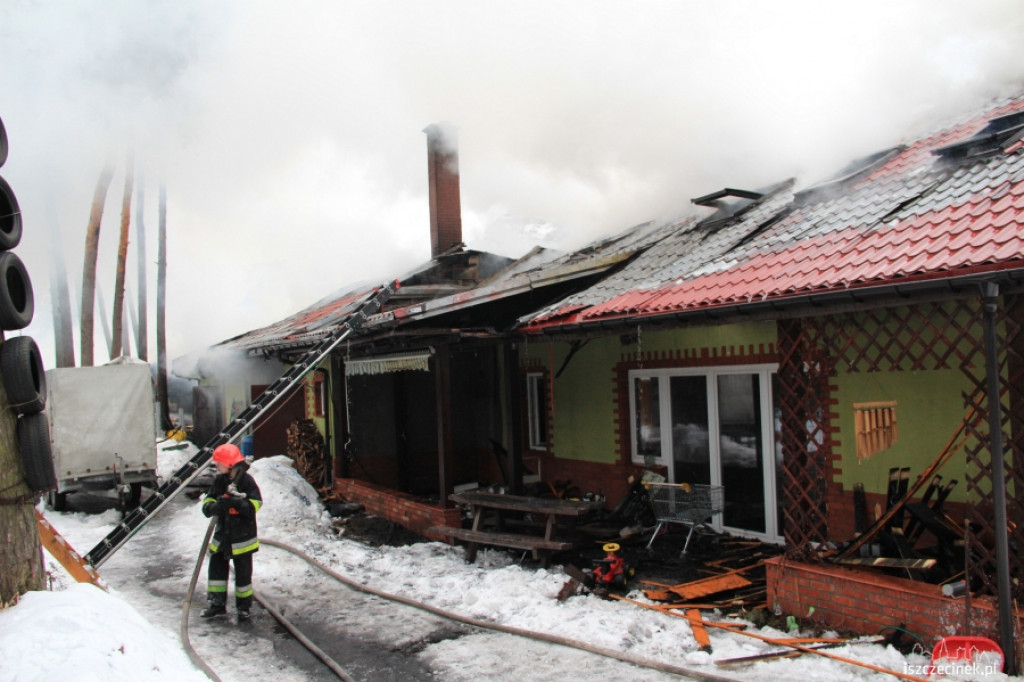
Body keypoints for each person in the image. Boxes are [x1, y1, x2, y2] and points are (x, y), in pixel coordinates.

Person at [200, 443, 262, 622]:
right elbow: (208, 500)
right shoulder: (220, 481)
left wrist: (239, 505)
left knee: (243, 574)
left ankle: (244, 607)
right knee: (217, 569)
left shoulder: (246, 481)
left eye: (218, 463)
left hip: (242, 537)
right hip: (223, 536)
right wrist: (214, 506)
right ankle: (217, 604)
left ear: (228, 464)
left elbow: (256, 503)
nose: (216, 467)